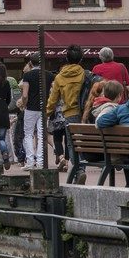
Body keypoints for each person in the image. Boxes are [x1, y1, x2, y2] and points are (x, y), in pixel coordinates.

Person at [45, 46, 91, 181]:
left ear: (66, 58)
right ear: (81, 59)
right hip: (85, 114)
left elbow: (52, 100)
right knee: (82, 142)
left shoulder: (59, 77)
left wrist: (46, 113)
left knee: (71, 144)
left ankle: (79, 170)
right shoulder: (85, 74)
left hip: (70, 114)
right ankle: (81, 168)